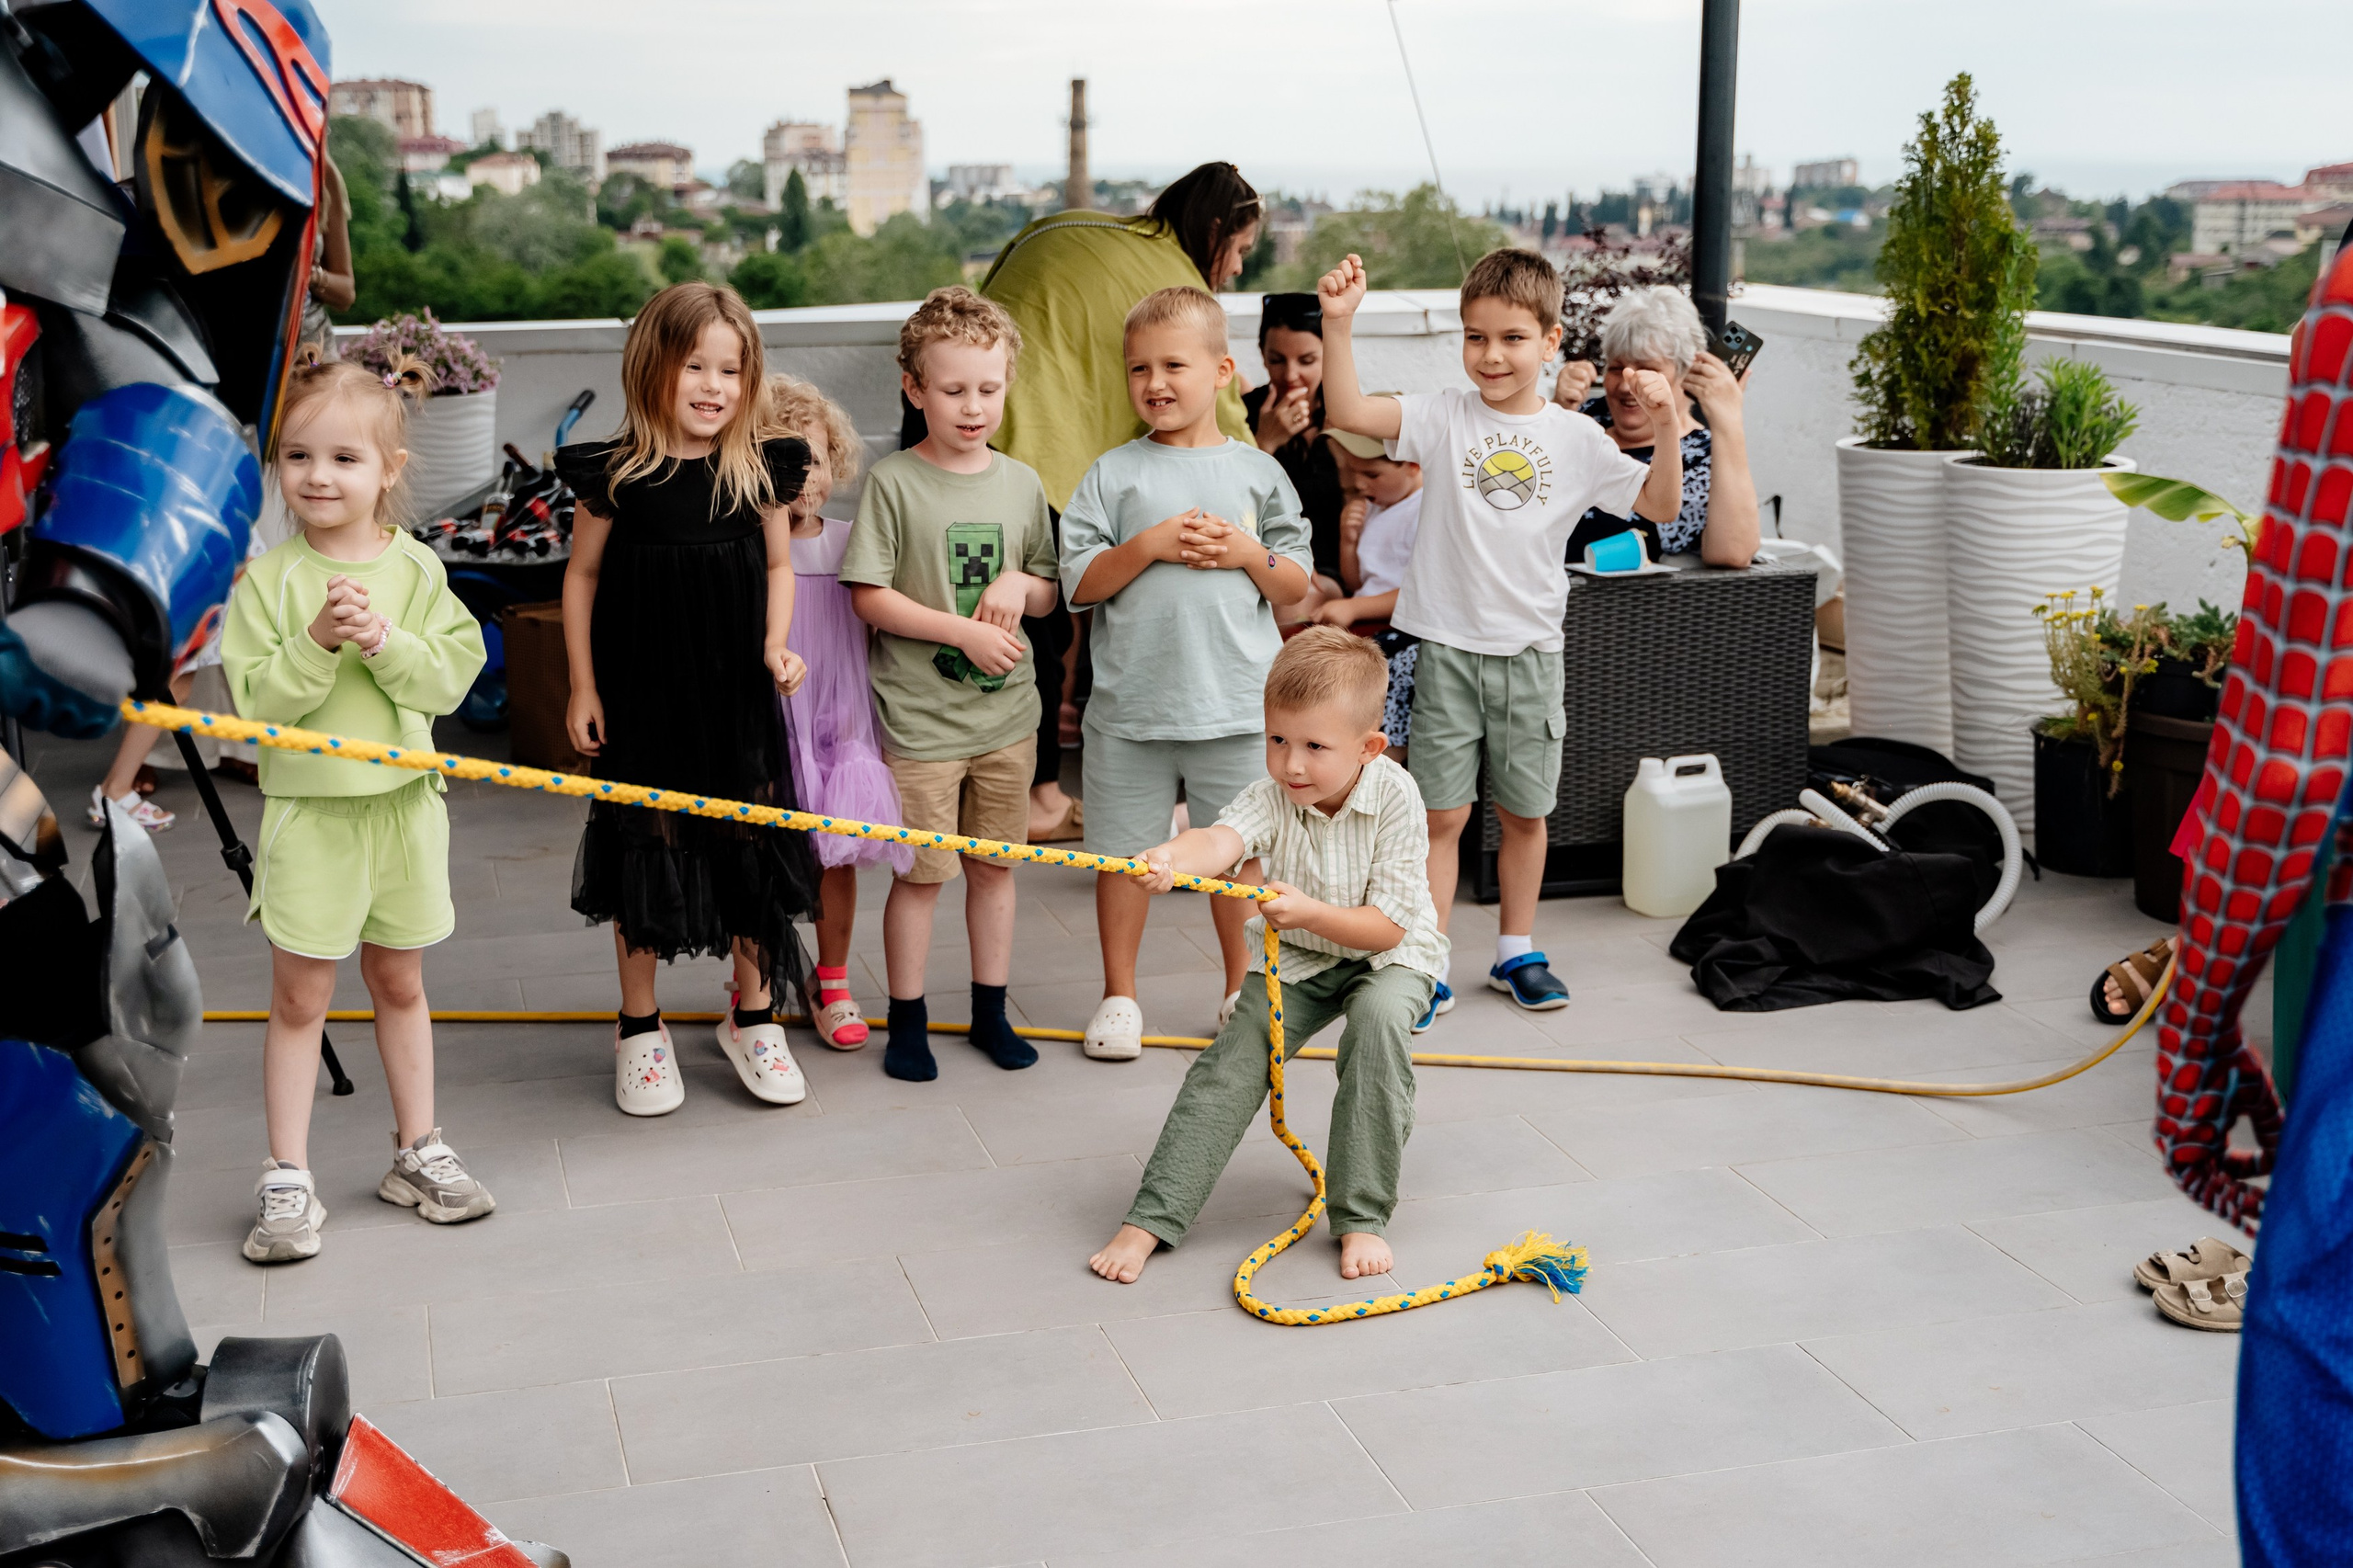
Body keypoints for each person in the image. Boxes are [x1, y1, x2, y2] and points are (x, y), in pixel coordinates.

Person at [1320, 248, 1686, 1029]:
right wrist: (1339, 324)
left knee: (1524, 815)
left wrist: (1668, 422)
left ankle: (1517, 948)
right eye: (1475, 337)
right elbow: (1350, 412)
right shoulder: (1442, 416)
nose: (1491, 355)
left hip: (1531, 656)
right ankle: (1428, 959)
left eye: (1513, 339)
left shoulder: (1580, 440)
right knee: (1442, 819)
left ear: (1552, 342)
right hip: (1445, 652)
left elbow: (1658, 507)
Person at [222, 357, 492, 1265]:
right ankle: (286, 1174)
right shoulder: (267, 582)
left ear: (388, 469)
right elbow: (258, 708)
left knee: (401, 982)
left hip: (406, 810)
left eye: (343, 457)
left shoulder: (415, 568)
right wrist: (315, 642)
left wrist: (384, 641)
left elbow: (451, 676)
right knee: (301, 997)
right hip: (312, 817)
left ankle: (417, 1148)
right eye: (298, 456)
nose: (318, 476)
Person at [1087, 627, 1443, 1284]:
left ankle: (1360, 1215)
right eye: (1278, 740)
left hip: (1386, 958)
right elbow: (1220, 840)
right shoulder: (1274, 793)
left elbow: (1389, 929)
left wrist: (1308, 910)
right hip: (1302, 959)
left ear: (1369, 747)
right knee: (1230, 1061)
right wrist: (1169, 858)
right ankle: (1153, 1216)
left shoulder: (1396, 796)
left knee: (1380, 1024)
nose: (1291, 764)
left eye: (1313, 746)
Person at [557, 282, 824, 1118]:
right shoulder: (620, 473)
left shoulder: (760, 467)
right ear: (652, 368)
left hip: (736, 693)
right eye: (694, 366)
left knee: (746, 842)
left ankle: (752, 1012)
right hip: (643, 693)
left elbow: (780, 567)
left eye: (730, 369)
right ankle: (639, 1026)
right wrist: (583, 684)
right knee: (647, 840)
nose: (713, 385)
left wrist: (779, 646)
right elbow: (582, 577)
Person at [979, 162, 1267, 844]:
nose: (1236, 271)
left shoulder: (1080, 226)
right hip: (1035, 442)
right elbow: (1225, 425)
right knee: (1038, 633)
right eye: (1242, 252)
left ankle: (1000, 789)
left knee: (995, 618)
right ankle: (1041, 798)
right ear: (1219, 230)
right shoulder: (1178, 279)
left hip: (970, 411)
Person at [1061, 285, 1313, 1061]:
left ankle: (1243, 991)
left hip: (1236, 710)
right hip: (1130, 715)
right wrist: (1151, 543)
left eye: (1174, 364)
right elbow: (1078, 582)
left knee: (1239, 858)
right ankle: (1119, 995)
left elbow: (1296, 583)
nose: (1155, 382)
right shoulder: (1112, 473)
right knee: (1123, 859)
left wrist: (1246, 553)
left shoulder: (1258, 473)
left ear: (1224, 372)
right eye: (1139, 368)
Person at [841, 287, 1061, 1083]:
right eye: (953, 389)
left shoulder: (1022, 483)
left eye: (989, 389)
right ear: (915, 389)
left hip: (1007, 720)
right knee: (922, 875)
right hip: (922, 725)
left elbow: (1046, 585)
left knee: (996, 869)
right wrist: (965, 630)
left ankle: (991, 1012)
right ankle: (907, 1021)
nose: (973, 407)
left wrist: (1015, 584)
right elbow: (869, 595)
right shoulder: (895, 483)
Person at [767, 374, 909, 1050]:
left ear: (836, 463)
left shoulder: (855, 539)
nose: (802, 477)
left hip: (839, 716)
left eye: (813, 459)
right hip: (772, 712)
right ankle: (756, 980)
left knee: (838, 856)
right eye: (781, 460)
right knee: (763, 847)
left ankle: (832, 980)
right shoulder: (746, 548)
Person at [1553, 286, 1758, 568]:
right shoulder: (1586, 416)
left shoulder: (1702, 454)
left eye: (1647, 369)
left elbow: (1732, 554)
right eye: (1616, 368)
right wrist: (1557, 409)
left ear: (1687, 372)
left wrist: (1729, 421)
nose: (1627, 385)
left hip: (1623, 607)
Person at [1312, 428, 1425, 753]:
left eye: (1372, 474)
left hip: (1400, 631)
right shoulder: (1379, 503)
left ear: (1413, 464)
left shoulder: (1424, 510)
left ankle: (1385, 763)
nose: (1360, 484)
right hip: (1368, 624)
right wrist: (1349, 540)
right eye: (1352, 472)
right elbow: (1358, 580)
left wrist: (1354, 608)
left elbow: (1422, 590)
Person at [1241, 292, 1346, 615]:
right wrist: (1265, 443)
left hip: (1330, 567)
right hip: (1259, 558)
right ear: (1261, 354)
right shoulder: (1244, 412)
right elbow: (1228, 500)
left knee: (1288, 604)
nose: (1290, 375)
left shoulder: (1349, 415)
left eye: (1307, 361)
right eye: (1276, 360)